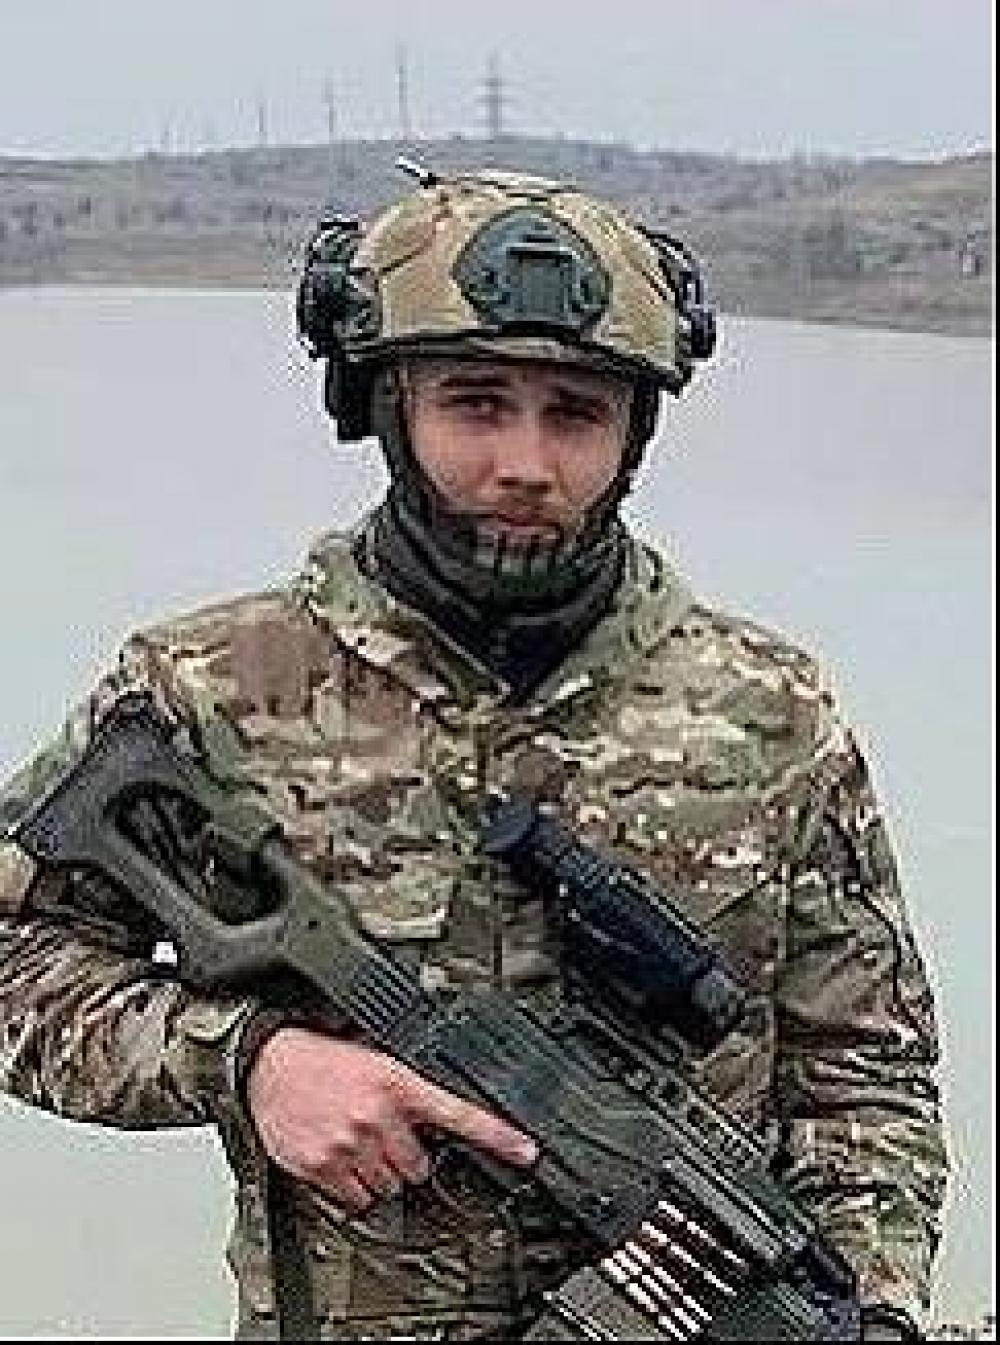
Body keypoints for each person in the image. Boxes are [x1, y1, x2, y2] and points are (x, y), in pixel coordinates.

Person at [0, 166, 948, 1341]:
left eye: (576, 414)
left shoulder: (770, 712)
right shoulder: (208, 689)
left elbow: (865, 1075)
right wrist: (247, 1058)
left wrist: (872, 1310)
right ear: (385, 405)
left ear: (633, 433)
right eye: (476, 403)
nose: (527, 464)